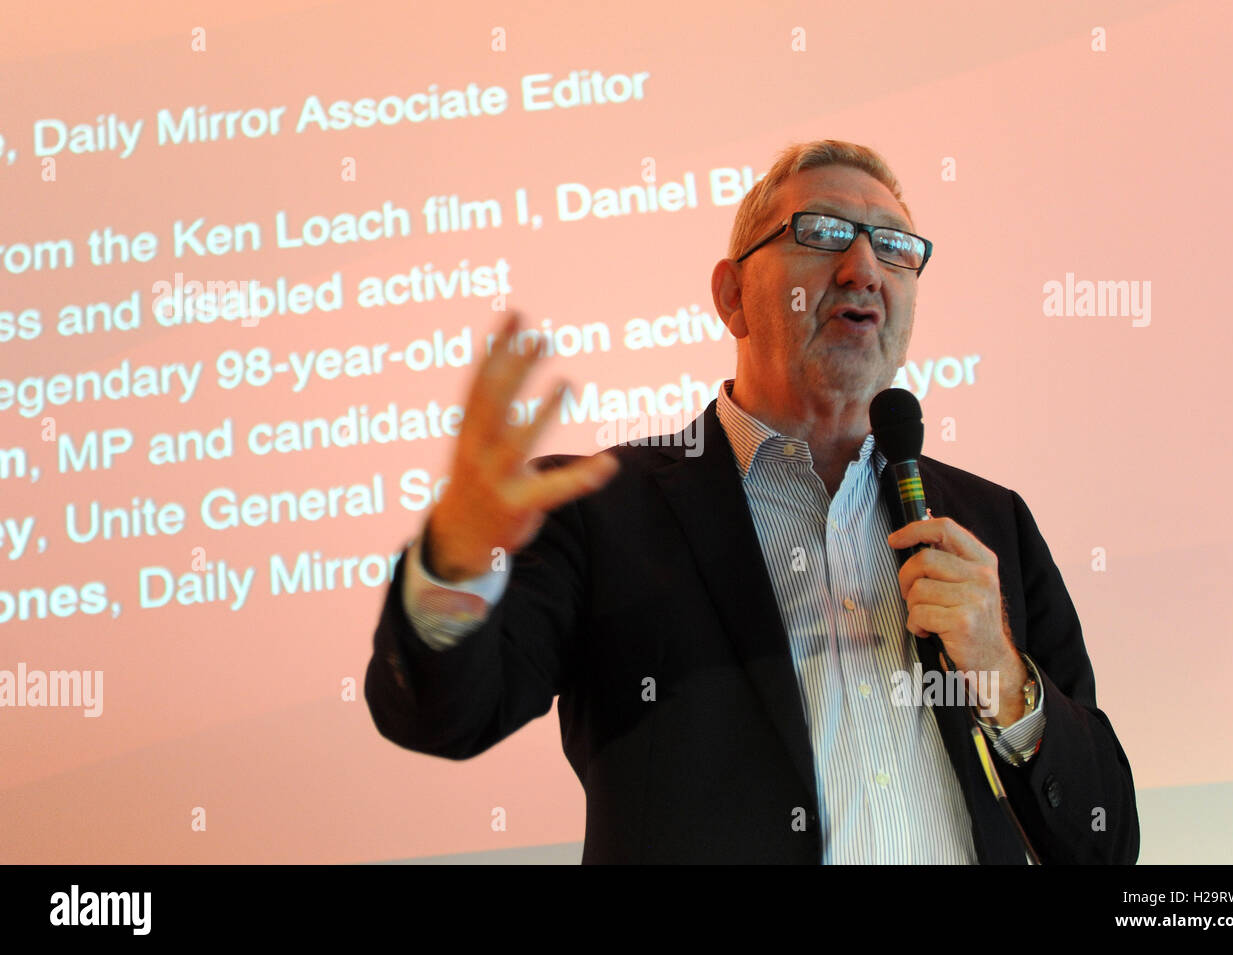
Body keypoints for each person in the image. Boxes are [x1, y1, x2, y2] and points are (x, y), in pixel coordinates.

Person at [364, 139, 1140, 864]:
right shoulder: (603, 511)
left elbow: (1104, 840)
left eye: (895, 247)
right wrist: (455, 565)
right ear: (732, 296)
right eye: (825, 231)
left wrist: (1004, 676)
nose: (865, 266)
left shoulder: (990, 520)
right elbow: (444, 714)